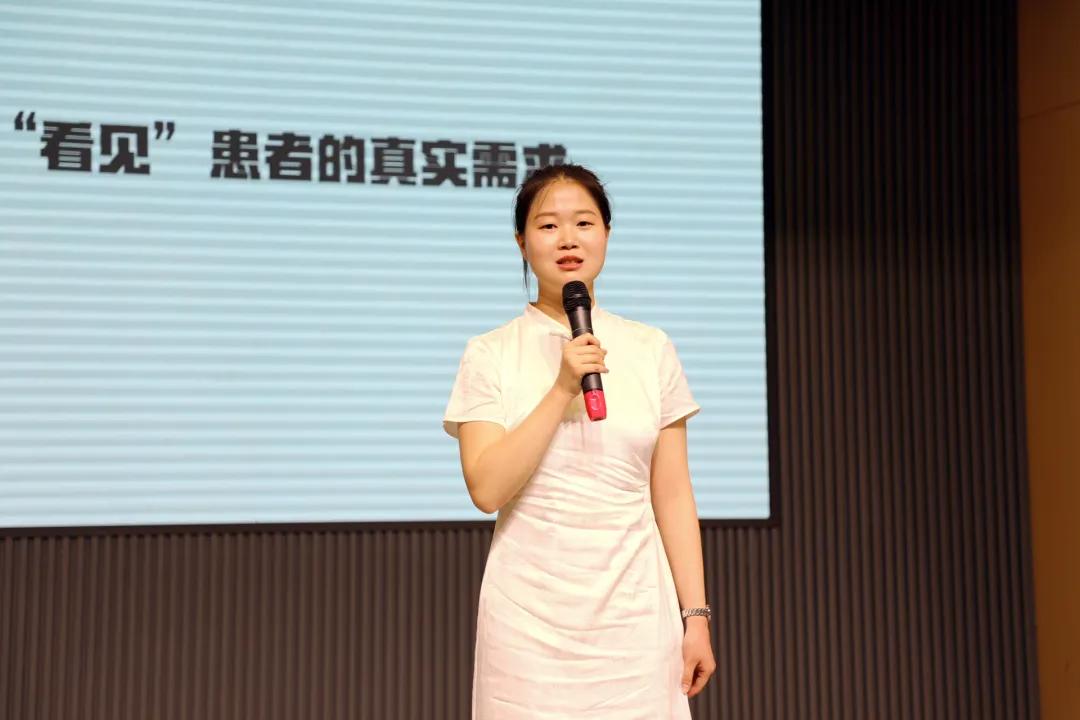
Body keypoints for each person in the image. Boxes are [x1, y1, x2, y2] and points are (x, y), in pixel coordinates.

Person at [443, 163, 715, 718]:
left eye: (584, 223)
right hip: (527, 623)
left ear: (607, 234)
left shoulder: (650, 347)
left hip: (636, 618)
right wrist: (561, 388)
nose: (568, 239)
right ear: (521, 242)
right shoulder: (489, 353)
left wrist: (696, 617)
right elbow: (487, 488)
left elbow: (672, 494)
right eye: (548, 226)